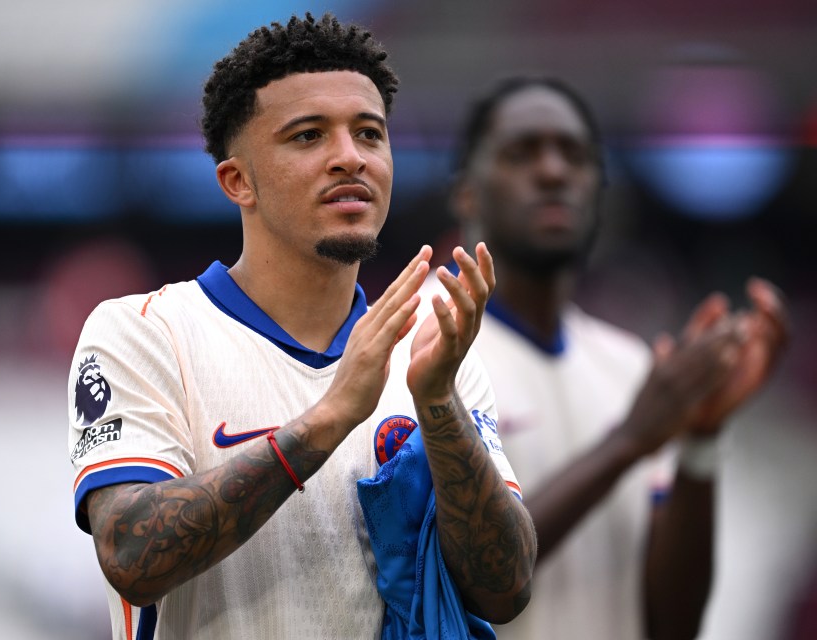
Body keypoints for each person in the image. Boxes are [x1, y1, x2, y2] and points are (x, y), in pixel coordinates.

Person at [66, 14, 536, 639]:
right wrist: (331, 414)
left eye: (369, 134)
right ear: (239, 182)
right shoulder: (145, 332)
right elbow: (129, 555)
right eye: (308, 136)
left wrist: (440, 405)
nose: (350, 157)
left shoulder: (434, 356)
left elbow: (505, 589)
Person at [443, 75, 790, 640]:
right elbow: (472, 583)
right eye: (521, 152)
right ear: (467, 193)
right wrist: (630, 439)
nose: (554, 172)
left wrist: (701, 440)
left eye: (575, 156)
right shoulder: (424, 343)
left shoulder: (626, 364)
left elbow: (671, 625)